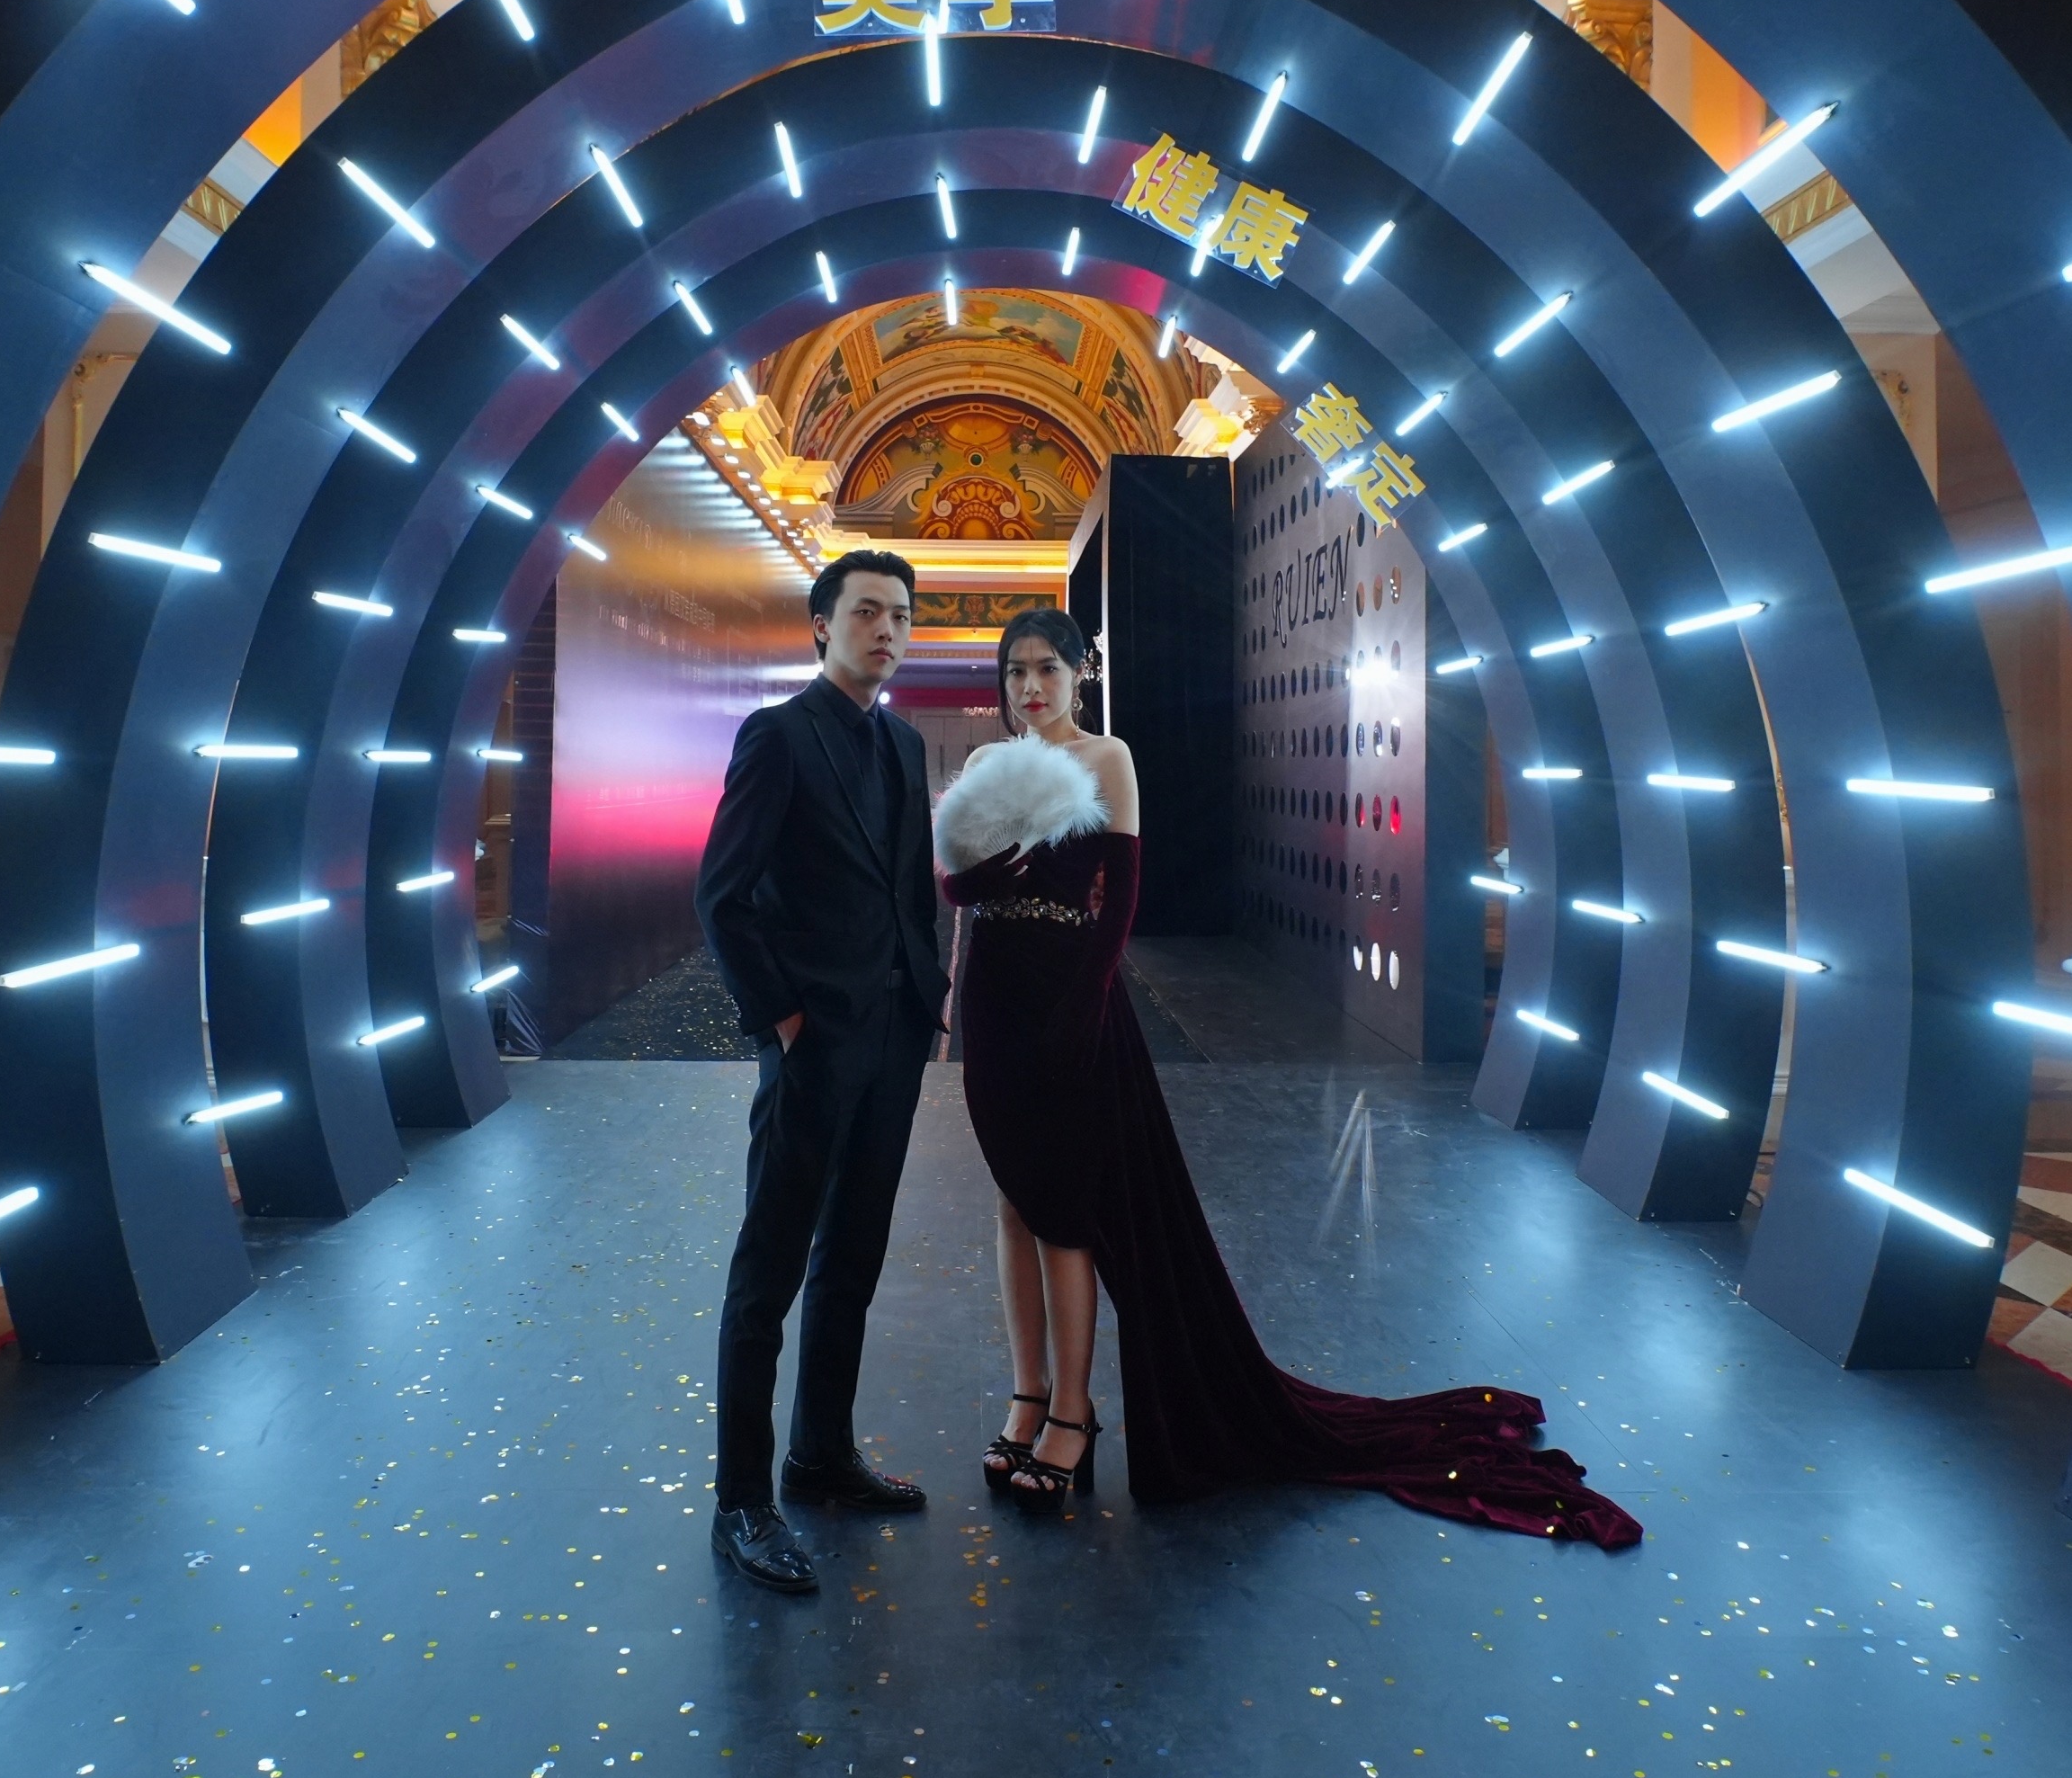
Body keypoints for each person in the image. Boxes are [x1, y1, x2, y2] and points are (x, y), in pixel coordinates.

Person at [934, 604, 1639, 1547]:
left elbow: (1122, 904)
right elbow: (956, 889)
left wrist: (1082, 1011)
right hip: (997, 999)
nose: (1030, 687)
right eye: (1016, 671)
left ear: (1078, 675)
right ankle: (1026, 1397)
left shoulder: (1108, 760)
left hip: (1072, 1000)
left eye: (1047, 670)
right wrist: (987, 891)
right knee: (1014, 1202)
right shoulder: (989, 762)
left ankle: (1073, 1413)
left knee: (1065, 1210)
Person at [693, 547, 951, 1594]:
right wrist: (784, 1020)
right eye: (868, 612)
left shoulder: (903, 741)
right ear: (821, 625)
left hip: (892, 1038)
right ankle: (741, 1503)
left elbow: (912, 890)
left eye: (901, 615)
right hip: (813, 1042)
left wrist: (927, 995)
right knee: (769, 1269)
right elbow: (722, 895)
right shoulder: (778, 735)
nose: (887, 630)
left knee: (852, 1255)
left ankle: (822, 1455)